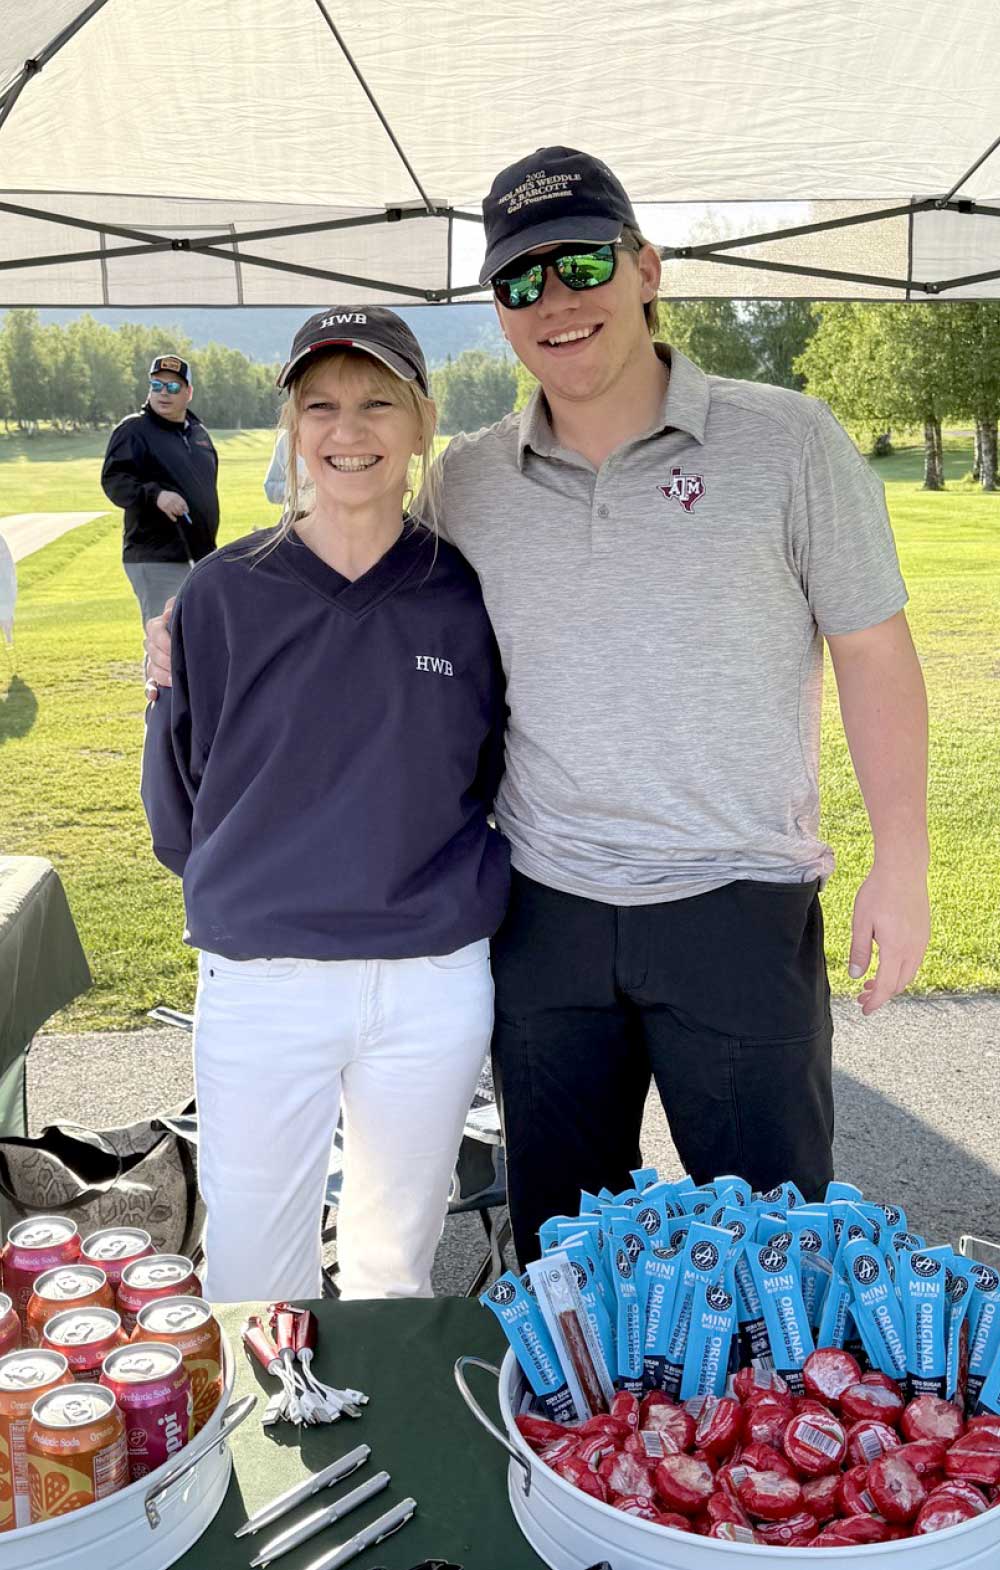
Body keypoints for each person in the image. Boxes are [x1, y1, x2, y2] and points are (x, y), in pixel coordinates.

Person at [148, 148, 931, 1267]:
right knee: (564, 1258)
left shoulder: (789, 441)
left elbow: (875, 653)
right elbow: (359, 601)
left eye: (580, 264)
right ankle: (554, 1449)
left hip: (738, 904)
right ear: (500, 315)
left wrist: (899, 861)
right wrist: (187, 631)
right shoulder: (470, 478)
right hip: (544, 910)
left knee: (774, 1250)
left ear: (647, 268)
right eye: (520, 282)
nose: (555, 302)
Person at [140, 308, 508, 1302]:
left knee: (394, 1263)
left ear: (424, 420)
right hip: (265, 981)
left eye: (378, 402)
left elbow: (497, 770)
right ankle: (268, 1458)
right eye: (322, 406)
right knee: (256, 1269)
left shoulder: (467, 595)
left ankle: (383, 1448)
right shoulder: (220, 595)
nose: (349, 430)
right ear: (292, 427)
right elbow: (177, 803)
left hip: (427, 984)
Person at [101, 355, 219, 627]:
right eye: (157, 385)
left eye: (173, 387)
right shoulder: (134, 430)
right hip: (155, 556)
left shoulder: (198, 433)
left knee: (196, 633)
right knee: (165, 636)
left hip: (199, 555)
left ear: (189, 392)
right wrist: (157, 495)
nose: (164, 393)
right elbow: (114, 481)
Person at [262, 426, 308, 506]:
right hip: (296, 515)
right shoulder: (286, 439)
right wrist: (290, 487)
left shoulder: (333, 436)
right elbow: (269, 489)